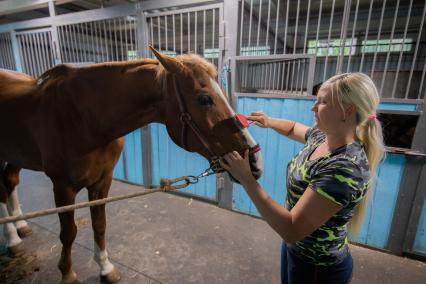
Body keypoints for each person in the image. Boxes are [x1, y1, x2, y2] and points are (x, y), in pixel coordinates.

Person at [220, 72, 385, 284]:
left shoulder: (344, 167)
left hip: (317, 267)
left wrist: (247, 180)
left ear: (349, 110)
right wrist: (268, 121)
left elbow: (291, 229)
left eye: (323, 102)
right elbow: (293, 128)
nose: (313, 108)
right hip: (296, 251)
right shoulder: (322, 137)